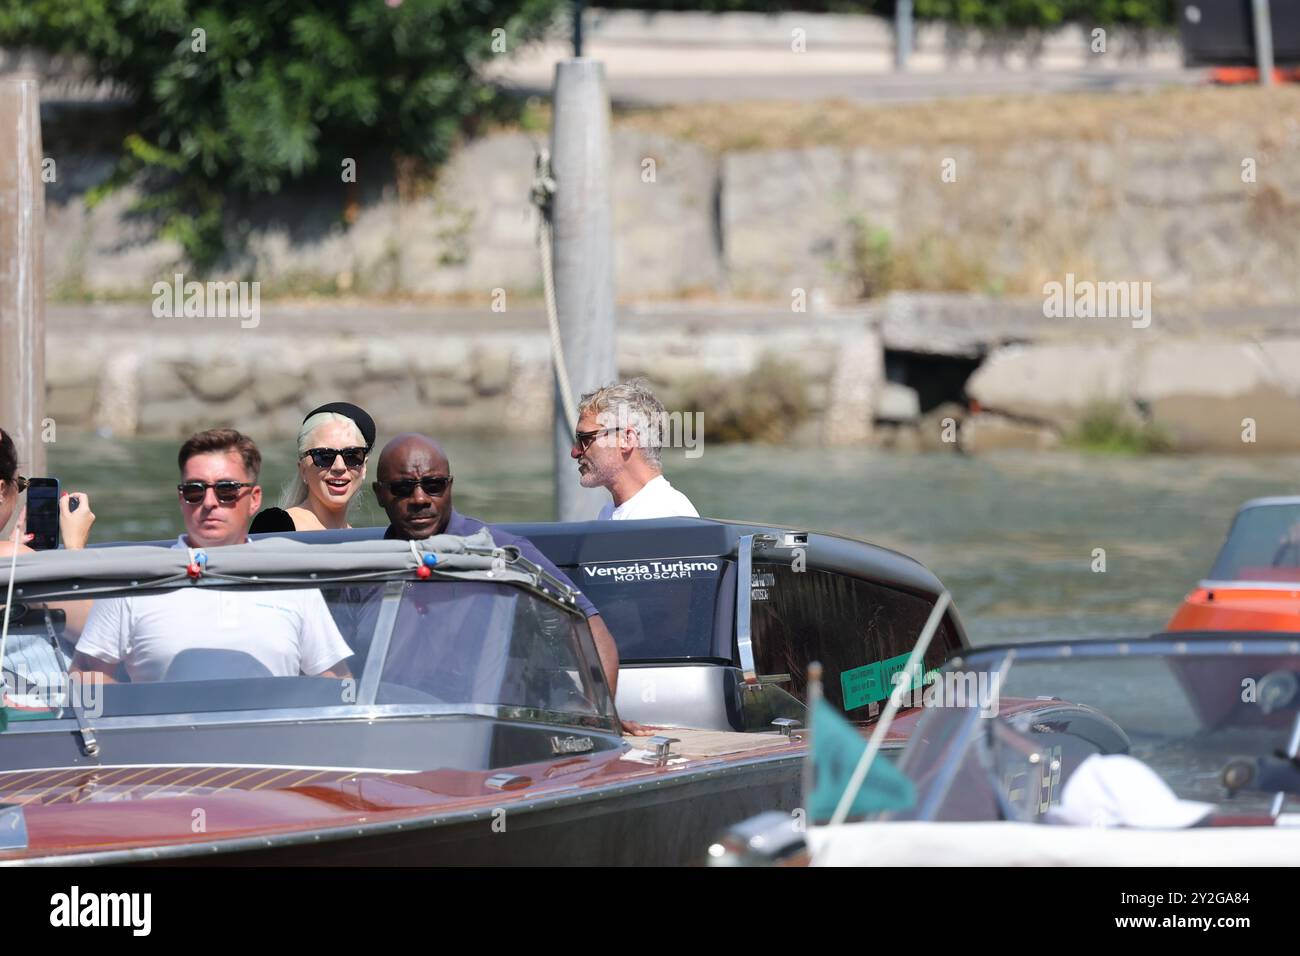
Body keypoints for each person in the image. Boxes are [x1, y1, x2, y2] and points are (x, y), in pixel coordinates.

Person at [371, 433, 650, 735]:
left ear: (450, 487)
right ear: (380, 494)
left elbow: (586, 623)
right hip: (388, 732)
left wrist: (599, 712)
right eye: (403, 488)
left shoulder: (503, 553)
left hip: (492, 735)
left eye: (434, 485)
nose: (420, 499)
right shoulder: (361, 568)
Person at [71, 428, 352, 683]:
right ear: (182, 499)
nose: (209, 502)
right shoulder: (136, 579)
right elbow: (86, 674)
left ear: (254, 499)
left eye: (226, 490)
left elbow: (336, 681)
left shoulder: (291, 578)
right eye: (194, 491)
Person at [0, 427, 96, 704]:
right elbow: (98, 633)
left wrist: (21, 552)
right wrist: (75, 549)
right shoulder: (12, 559)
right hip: (41, 727)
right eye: (18, 486)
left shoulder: (14, 557)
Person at [571, 381, 699, 520]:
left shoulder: (663, 514)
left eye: (584, 438)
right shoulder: (609, 513)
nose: (575, 452)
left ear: (626, 439)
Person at [249, 402, 376, 533]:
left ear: (364, 467)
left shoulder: (359, 538)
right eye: (324, 456)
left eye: (352, 455)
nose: (339, 467)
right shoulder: (274, 526)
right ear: (303, 469)